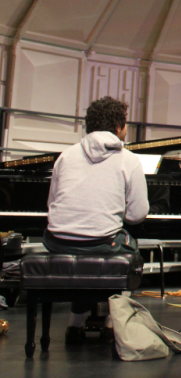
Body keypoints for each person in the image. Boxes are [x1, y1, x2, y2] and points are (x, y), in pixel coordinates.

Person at [43, 96, 148, 343]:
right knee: (127, 246)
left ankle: (75, 322)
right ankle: (114, 320)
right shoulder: (129, 160)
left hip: (57, 242)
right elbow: (136, 215)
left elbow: (51, 205)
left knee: (83, 251)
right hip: (101, 244)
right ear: (120, 126)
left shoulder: (65, 156)